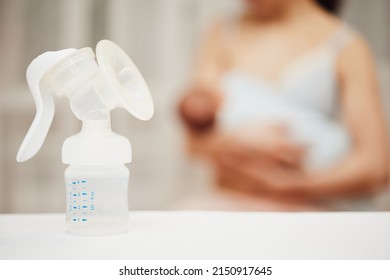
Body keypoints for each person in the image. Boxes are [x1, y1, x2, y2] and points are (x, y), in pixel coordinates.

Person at [179, 0, 389, 210]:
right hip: (230, 204)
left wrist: (297, 186)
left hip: (307, 208)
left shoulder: (347, 46)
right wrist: (235, 142)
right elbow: (193, 142)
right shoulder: (223, 32)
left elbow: (376, 166)